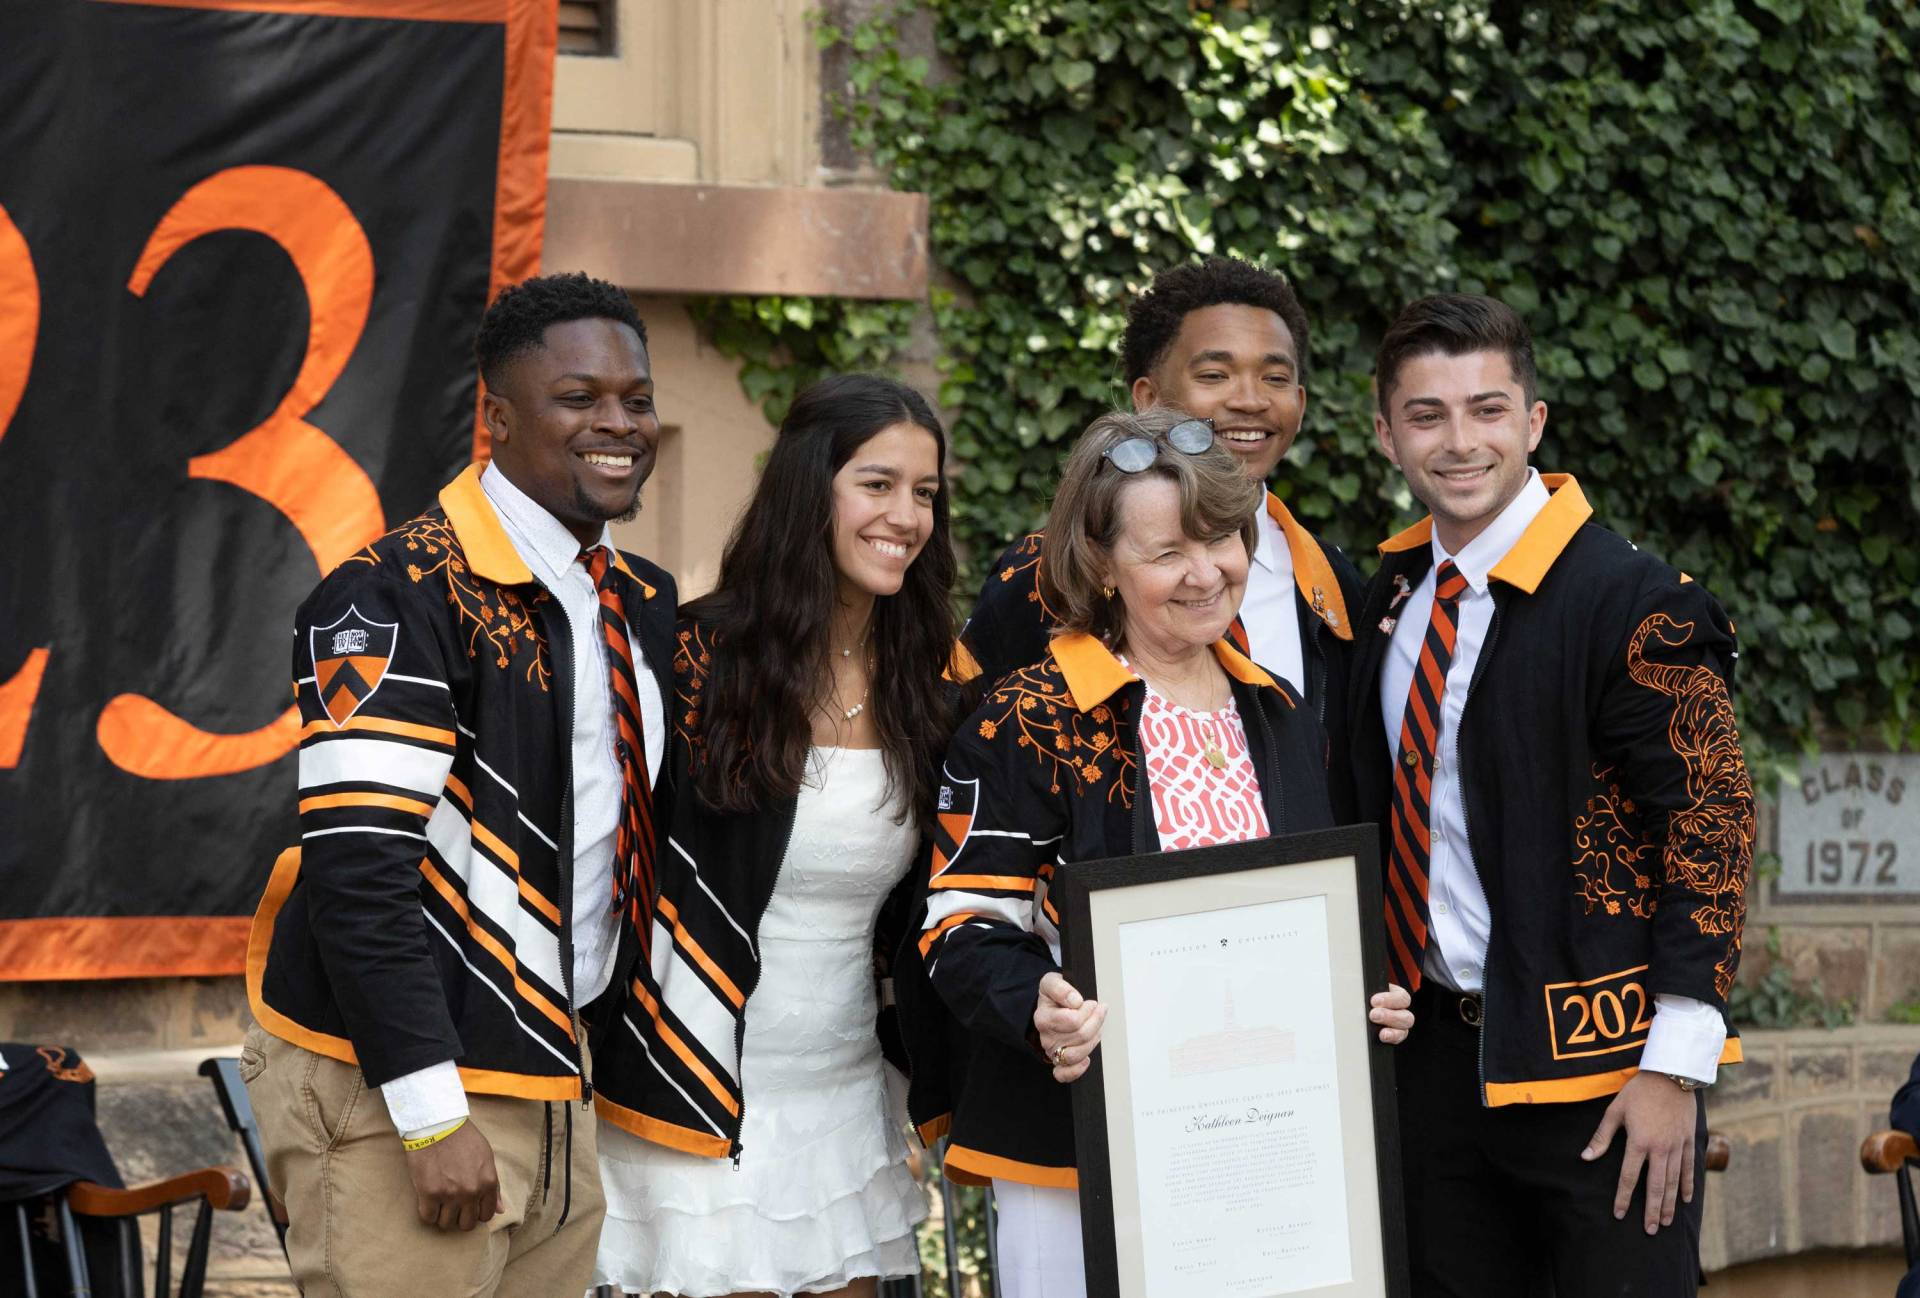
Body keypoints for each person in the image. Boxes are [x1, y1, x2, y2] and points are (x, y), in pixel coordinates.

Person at [904, 408, 1413, 1298]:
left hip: (1267, 1161)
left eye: (1222, 537)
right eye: (1167, 551)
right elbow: (961, 921)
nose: (1206, 570)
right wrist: (1041, 1006)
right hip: (1079, 1149)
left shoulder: (1279, 710)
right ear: (1101, 564)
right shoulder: (1028, 715)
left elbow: (1310, 917)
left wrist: (1361, 1001)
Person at [241, 272, 674, 1297]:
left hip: (554, 1080)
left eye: (637, 397)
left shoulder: (638, 601)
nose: (618, 423)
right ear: (499, 415)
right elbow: (358, 876)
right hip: (407, 1088)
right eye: (579, 397)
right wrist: (430, 1112)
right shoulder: (394, 597)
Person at [1348, 293, 1753, 1296]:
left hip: (1604, 1079)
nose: (1459, 440)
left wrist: (1673, 1065)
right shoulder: (1385, 598)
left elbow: (1713, 821)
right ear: (1385, 431)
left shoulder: (1632, 597)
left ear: (1532, 422)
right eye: (1427, 413)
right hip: (1430, 1071)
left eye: (1488, 409)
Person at [590, 374, 956, 1298]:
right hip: (692, 1091)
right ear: (810, 487)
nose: (905, 515)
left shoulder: (932, 683)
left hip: (843, 1095)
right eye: (876, 484)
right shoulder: (690, 657)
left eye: (924, 491)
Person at [960, 258, 1361, 772]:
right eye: (1215, 374)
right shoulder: (1047, 572)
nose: (1250, 400)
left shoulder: (1333, 587)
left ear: (1300, 404)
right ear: (1146, 399)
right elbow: (968, 737)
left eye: (1275, 378)